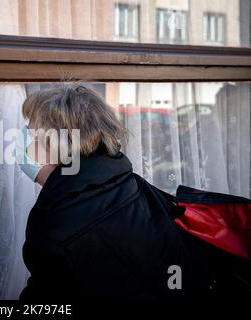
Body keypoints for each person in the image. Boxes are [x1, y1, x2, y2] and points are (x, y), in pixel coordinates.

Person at [17, 84, 219, 301]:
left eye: (31, 135)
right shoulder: (129, 184)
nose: (25, 144)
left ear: (57, 146)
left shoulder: (57, 225)